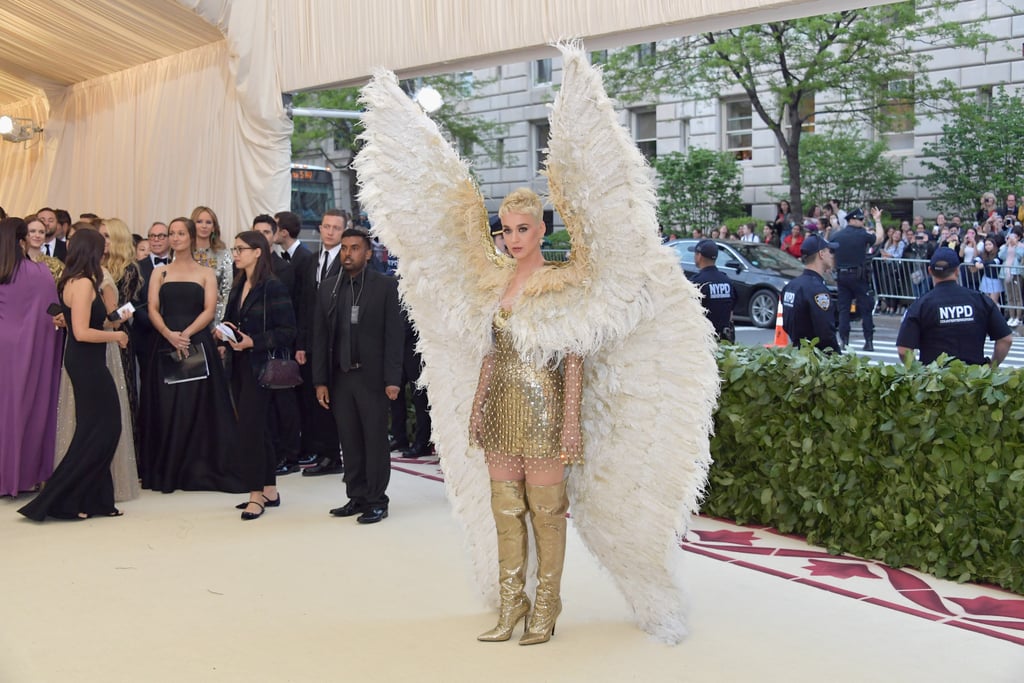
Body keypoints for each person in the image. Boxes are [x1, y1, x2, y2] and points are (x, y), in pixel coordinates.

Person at [356, 44, 719, 645]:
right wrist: (474, 407)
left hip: (550, 417)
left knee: (549, 517)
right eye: (505, 228)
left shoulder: (564, 280)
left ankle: (546, 610)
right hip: (500, 409)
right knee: (506, 515)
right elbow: (491, 352)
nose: (513, 236)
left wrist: (573, 423)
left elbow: (573, 355)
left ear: (542, 229)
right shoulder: (491, 282)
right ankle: (510, 606)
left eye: (523, 228)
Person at [18, 229, 129, 521]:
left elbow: (84, 322)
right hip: (86, 363)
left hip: (85, 361)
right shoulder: (81, 284)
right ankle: (61, 500)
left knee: (98, 430)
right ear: (90, 250)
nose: (106, 249)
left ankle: (97, 500)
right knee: (101, 430)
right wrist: (115, 336)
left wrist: (114, 320)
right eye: (101, 246)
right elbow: (80, 332)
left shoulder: (77, 281)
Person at [138, 217, 245, 494]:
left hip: (196, 342)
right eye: (171, 234)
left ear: (190, 235)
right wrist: (169, 334)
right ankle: (167, 469)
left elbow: (210, 310)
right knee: (167, 406)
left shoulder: (206, 273)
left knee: (195, 406)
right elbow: (152, 308)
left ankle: (196, 468)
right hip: (164, 343)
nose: (175, 238)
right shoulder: (159, 272)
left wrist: (185, 333)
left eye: (180, 233)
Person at [312, 227, 403, 523]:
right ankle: (357, 495)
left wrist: (393, 379)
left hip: (373, 378)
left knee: (375, 440)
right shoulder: (329, 288)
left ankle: (377, 499)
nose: (348, 253)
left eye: (354, 248)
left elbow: (394, 337)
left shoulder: (385, 286)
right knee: (349, 440)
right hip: (340, 378)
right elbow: (320, 337)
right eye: (344, 248)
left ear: (367, 253)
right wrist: (320, 380)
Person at [218, 231, 297, 520]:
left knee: (250, 430)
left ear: (258, 252)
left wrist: (254, 341)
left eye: (241, 249)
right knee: (258, 429)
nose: (235, 254)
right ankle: (269, 489)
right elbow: (235, 320)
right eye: (234, 249)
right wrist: (226, 331)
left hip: (262, 366)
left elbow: (288, 331)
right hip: (240, 365)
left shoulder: (272, 286)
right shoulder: (240, 285)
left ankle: (255, 495)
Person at [0, 218, 64, 497]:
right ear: (22, 239)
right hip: (28, 348)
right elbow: (53, 315)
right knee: (25, 409)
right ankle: (22, 475)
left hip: (4, 343)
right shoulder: (38, 272)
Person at [896, 248, 1013, 366]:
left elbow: (903, 350)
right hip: (973, 379)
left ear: (930, 271)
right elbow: (1005, 339)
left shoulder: (920, 305)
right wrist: (992, 366)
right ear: (957, 270)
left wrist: (919, 373)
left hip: (934, 379)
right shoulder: (981, 300)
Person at [302, 210, 347, 477]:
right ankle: (324, 453)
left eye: (336, 228)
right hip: (315, 343)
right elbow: (305, 304)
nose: (330, 232)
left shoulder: (347, 259)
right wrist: (302, 343)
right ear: (320, 228)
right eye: (327, 226)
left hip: (339, 344)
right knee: (317, 399)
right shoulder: (312, 260)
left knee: (334, 401)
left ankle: (334, 455)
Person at [833, 206, 884, 351]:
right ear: (853, 220)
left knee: (844, 310)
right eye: (861, 219)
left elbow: (829, 252)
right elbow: (879, 238)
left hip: (842, 275)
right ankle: (868, 342)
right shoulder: (862, 234)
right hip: (859, 276)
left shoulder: (838, 235)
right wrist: (878, 221)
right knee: (866, 309)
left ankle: (844, 341)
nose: (862, 222)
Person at [781, 233, 840, 352]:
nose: (832, 255)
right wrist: (836, 354)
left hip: (797, 351)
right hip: (816, 356)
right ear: (821, 254)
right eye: (830, 251)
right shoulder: (817, 290)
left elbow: (787, 324)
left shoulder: (791, 286)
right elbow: (825, 331)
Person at [190, 206, 233, 326]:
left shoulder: (224, 254)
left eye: (208, 222)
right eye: (199, 222)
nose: (204, 226)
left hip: (215, 317)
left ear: (214, 227)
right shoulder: (183, 252)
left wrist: (220, 322)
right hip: (187, 314)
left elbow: (227, 291)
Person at [690, 239, 736, 341]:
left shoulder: (697, 282)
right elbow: (731, 313)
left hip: (704, 340)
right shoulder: (727, 280)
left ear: (699, 256)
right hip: (725, 340)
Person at [23, 216, 65, 283]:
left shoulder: (56, 265)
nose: (37, 235)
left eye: (41, 232)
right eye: (32, 231)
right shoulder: (14, 262)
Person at [999, 232, 1023, 327]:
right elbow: (1001, 256)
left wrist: (1016, 246)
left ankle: (1018, 317)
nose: (1012, 239)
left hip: (1016, 273)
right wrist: (1006, 245)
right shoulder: (1005, 247)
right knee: (1009, 296)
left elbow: (1020, 255)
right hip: (1006, 273)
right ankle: (1012, 316)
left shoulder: (1021, 247)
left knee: (1017, 296)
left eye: (1015, 237)